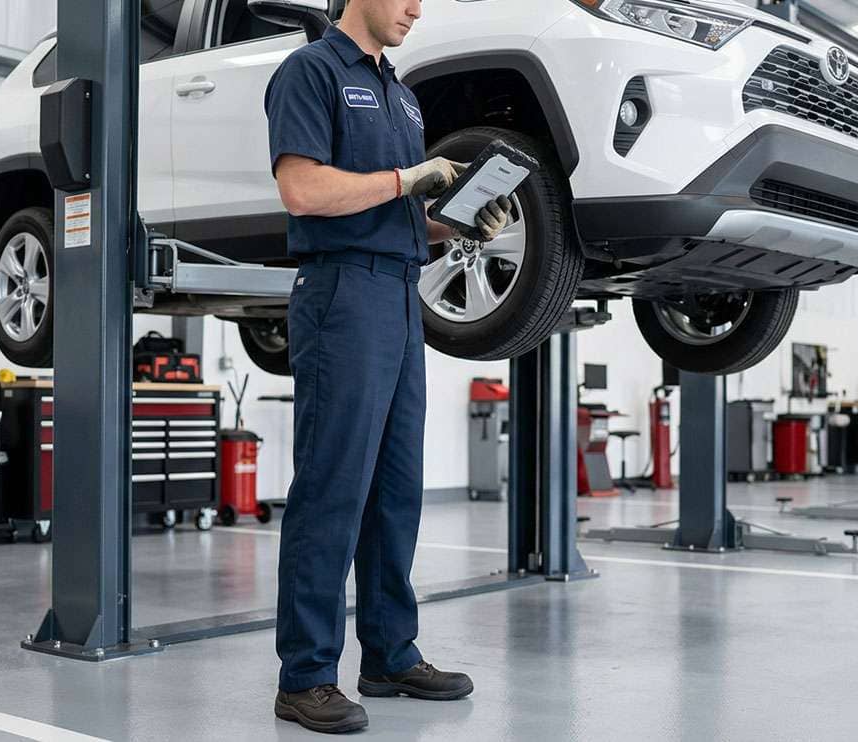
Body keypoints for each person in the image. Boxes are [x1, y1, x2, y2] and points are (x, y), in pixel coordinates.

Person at [264, 0, 513, 734]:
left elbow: (396, 207)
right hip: (341, 291)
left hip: (402, 292)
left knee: (397, 488)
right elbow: (303, 189)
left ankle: (389, 652)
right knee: (334, 484)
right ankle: (305, 675)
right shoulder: (310, 73)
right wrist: (411, 178)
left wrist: (457, 217)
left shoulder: (402, 97)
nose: (416, 7)